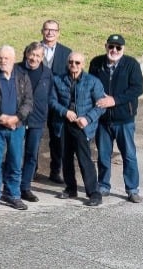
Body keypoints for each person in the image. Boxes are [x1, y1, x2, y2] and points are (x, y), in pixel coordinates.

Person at [89, 34, 143, 203]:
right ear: (106, 46)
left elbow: (137, 89)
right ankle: (104, 185)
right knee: (103, 155)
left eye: (118, 47)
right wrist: (99, 97)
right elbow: (90, 84)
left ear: (123, 49)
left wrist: (114, 100)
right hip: (103, 119)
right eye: (111, 46)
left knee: (129, 155)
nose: (114, 50)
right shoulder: (96, 63)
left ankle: (132, 189)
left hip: (124, 119)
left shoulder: (131, 64)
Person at [0, 45, 33, 211]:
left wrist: (16, 118)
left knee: (15, 163)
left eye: (6, 58)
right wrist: (1, 116)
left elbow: (28, 101)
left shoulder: (23, 77)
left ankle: (13, 195)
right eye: (0, 58)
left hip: (17, 127)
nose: (3, 61)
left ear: (13, 58)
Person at [51, 51, 105, 206]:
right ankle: (70, 188)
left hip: (81, 126)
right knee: (65, 157)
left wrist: (87, 119)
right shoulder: (58, 80)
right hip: (63, 123)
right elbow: (52, 101)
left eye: (77, 63)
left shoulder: (93, 81)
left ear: (83, 64)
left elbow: (101, 105)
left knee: (84, 159)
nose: (73, 65)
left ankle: (94, 193)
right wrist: (65, 111)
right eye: (71, 62)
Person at [37, 20, 72, 183]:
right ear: (42, 31)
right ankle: (32, 169)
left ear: (58, 32)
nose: (50, 33)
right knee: (34, 136)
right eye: (47, 29)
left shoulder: (66, 52)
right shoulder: (33, 49)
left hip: (57, 102)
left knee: (57, 137)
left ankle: (55, 170)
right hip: (37, 102)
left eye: (53, 30)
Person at [17, 42, 53, 203]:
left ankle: (25, 187)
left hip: (37, 119)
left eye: (38, 56)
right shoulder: (16, 69)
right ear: (26, 54)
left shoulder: (47, 73)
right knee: (15, 153)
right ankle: (11, 185)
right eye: (32, 55)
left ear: (42, 57)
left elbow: (50, 95)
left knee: (32, 154)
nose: (34, 58)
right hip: (17, 118)